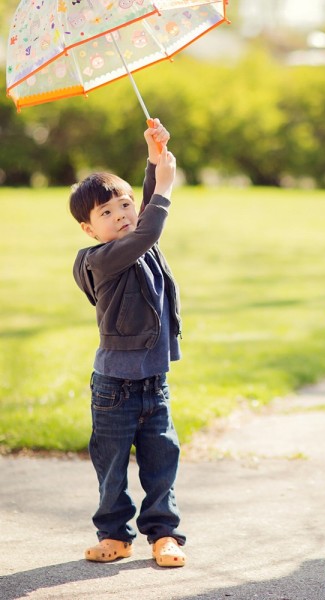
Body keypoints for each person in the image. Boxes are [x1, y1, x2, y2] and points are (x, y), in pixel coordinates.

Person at [69, 119, 186, 567]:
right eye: (106, 212)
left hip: (153, 382)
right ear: (88, 228)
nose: (120, 214)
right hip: (114, 387)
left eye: (125, 204)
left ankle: (165, 533)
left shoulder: (137, 241)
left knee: (162, 461)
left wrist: (155, 160)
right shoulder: (100, 260)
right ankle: (115, 535)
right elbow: (147, 230)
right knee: (111, 464)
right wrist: (166, 189)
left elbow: (143, 226)